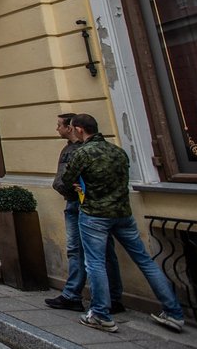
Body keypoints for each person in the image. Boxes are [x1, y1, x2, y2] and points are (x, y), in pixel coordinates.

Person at [61, 113, 185, 334]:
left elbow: (66, 181)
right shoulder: (118, 152)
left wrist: (80, 189)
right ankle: (174, 312)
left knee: (95, 263)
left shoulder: (83, 153)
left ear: (79, 130)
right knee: (145, 261)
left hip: (95, 215)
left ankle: (100, 314)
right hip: (123, 214)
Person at [45, 113, 124, 314]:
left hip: (88, 207)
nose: (57, 129)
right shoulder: (69, 149)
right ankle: (73, 295)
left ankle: (110, 300)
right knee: (77, 250)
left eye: (59, 125)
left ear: (72, 128)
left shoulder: (86, 150)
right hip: (76, 204)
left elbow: (75, 178)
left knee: (102, 254)